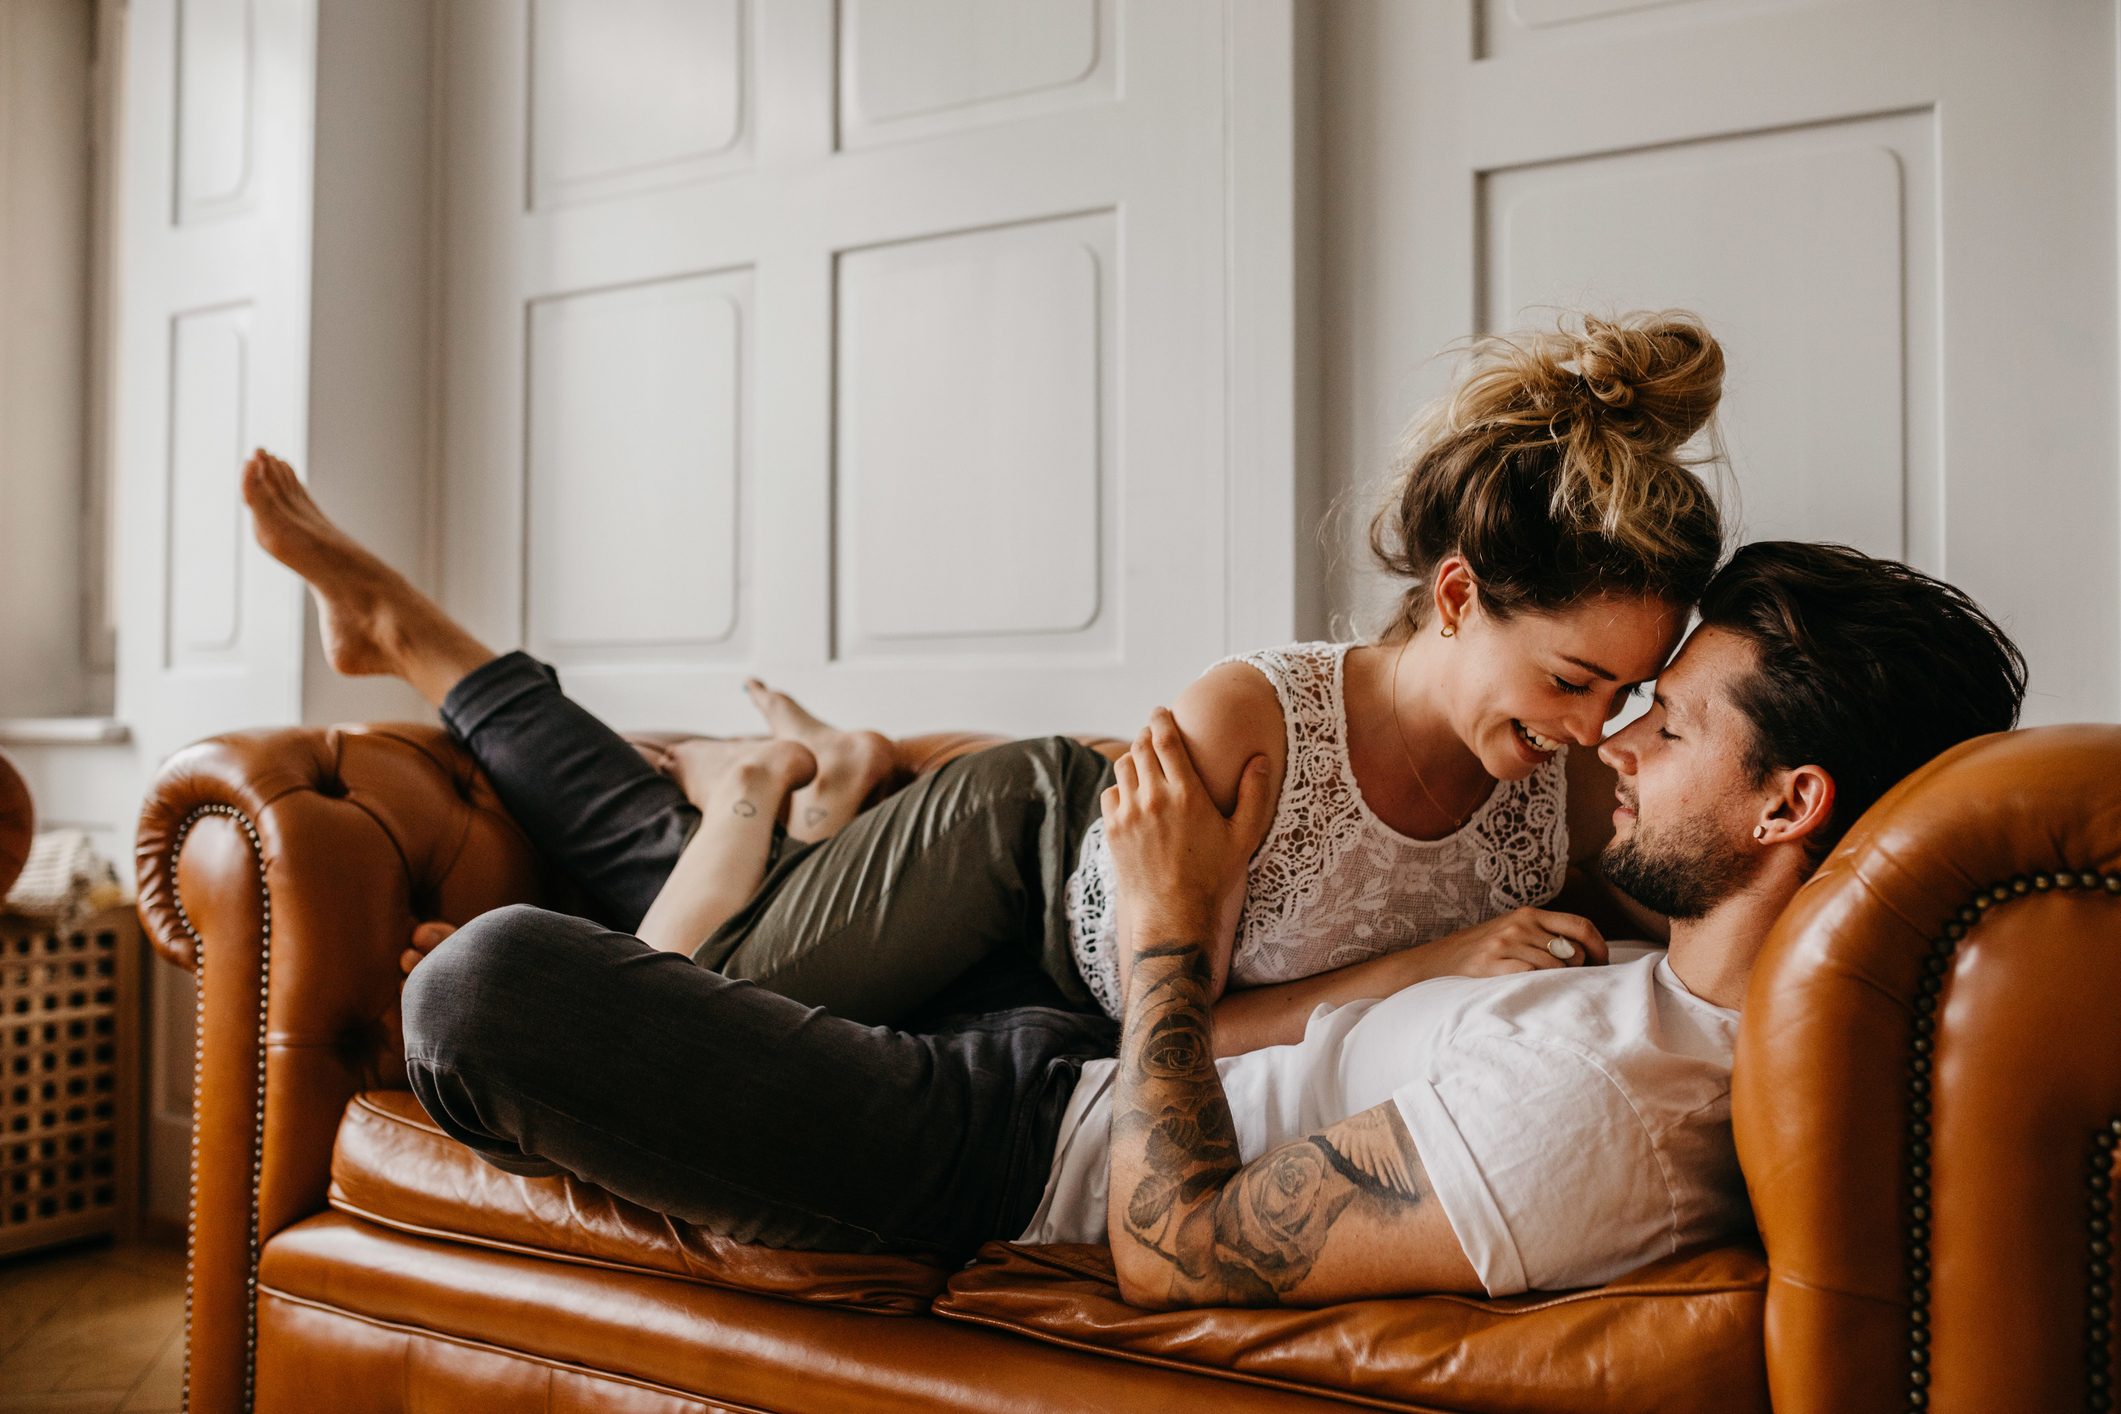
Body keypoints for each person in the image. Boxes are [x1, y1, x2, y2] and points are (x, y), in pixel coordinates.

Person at [397, 541, 2026, 1303]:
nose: (1612, 736)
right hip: (1055, 1029)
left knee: (486, 986)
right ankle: (466, 672)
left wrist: (1173, 930)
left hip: (1008, 1146)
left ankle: (712, 777)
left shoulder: (1599, 1115)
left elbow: (1172, 1249)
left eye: (1667, 725)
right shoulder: (1632, 969)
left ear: (1786, 806)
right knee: (657, 870)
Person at [244, 310, 1730, 1050]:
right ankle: (438, 643)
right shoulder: (1256, 723)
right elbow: (1176, 1032)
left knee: (668, 880)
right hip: (1004, 840)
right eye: (1567, 679)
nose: (1592, 730)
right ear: (1456, 595)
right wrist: (1428, 966)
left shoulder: (1574, 799)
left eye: (1623, 694)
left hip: (1021, 988)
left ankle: (785, 773)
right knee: (698, 1005)